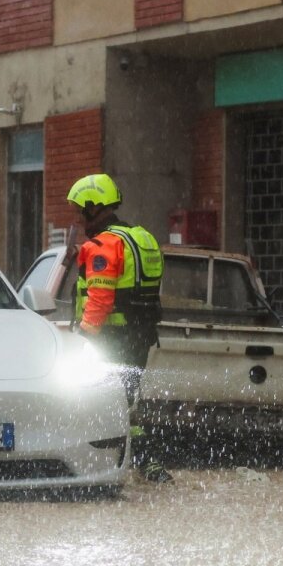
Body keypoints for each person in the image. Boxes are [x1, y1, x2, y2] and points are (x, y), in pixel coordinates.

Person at [66, 173, 173, 484]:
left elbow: (98, 301)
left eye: (78, 210)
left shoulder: (104, 246)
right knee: (127, 401)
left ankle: (104, 465)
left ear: (92, 207)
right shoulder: (142, 238)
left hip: (109, 340)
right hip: (139, 336)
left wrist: (82, 340)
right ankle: (146, 463)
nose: (76, 217)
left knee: (99, 403)